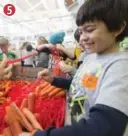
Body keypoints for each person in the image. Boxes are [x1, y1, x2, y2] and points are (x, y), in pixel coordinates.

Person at [19, 0, 128, 135]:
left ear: (117, 28)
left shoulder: (120, 67)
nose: (82, 38)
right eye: (80, 32)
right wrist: (54, 80)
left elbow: (103, 128)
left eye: (89, 30)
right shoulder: (91, 57)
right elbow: (82, 86)